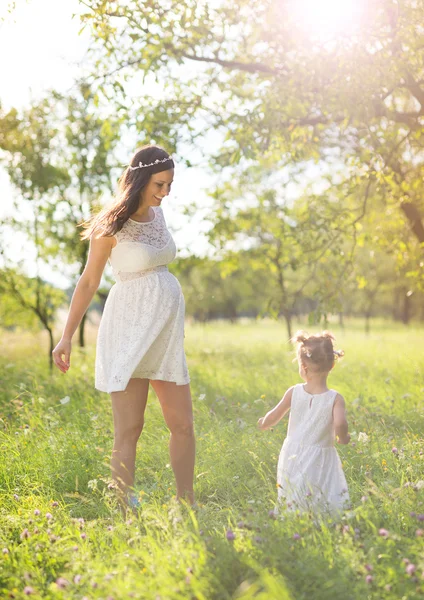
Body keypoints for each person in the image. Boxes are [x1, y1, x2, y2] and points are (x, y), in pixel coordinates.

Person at [52, 145, 195, 509]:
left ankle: (187, 504)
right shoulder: (110, 224)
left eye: (169, 186)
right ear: (140, 179)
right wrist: (66, 336)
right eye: (159, 185)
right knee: (130, 429)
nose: (165, 193)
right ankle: (122, 510)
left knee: (182, 424)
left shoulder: (158, 217)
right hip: (129, 328)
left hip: (164, 334)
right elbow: (87, 283)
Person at [257, 330, 350, 517]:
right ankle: (319, 518)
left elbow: (275, 415)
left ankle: (293, 516)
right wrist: (343, 437)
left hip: (292, 452)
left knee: (293, 486)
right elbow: (340, 423)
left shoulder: (294, 391)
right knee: (319, 486)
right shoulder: (335, 399)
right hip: (320, 455)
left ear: (303, 367)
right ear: (332, 365)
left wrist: (264, 423)